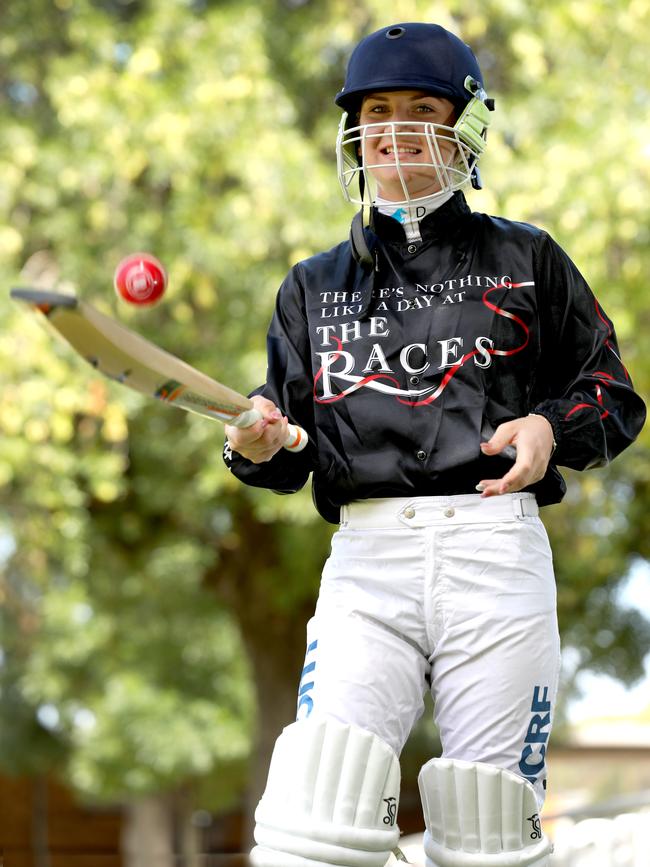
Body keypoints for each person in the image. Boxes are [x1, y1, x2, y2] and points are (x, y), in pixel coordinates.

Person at [223, 22, 646, 867]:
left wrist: (547, 427)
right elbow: (291, 436)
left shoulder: (529, 259)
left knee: (491, 835)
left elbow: (615, 398)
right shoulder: (311, 287)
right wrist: (260, 446)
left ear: (466, 129)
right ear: (353, 132)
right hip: (367, 563)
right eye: (376, 110)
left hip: (496, 553)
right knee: (315, 823)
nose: (395, 128)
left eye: (423, 107)